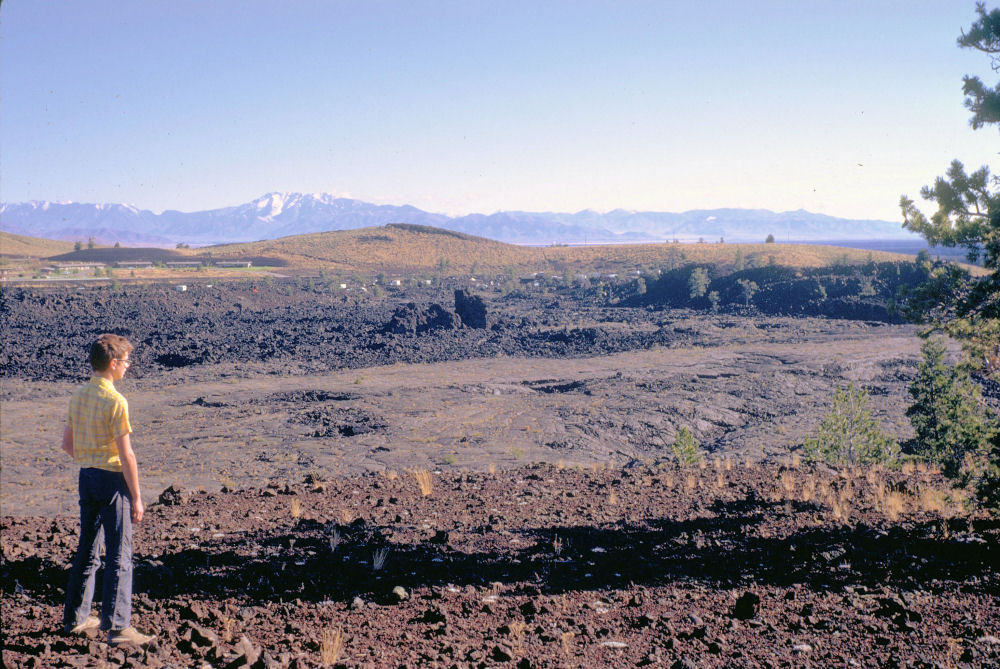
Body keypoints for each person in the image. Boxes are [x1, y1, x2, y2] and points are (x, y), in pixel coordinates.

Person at [61, 334, 155, 647]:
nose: (128, 366)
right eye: (126, 361)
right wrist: (137, 497)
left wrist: (91, 459)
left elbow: (67, 444)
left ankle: (75, 618)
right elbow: (127, 455)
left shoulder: (79, 395)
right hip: (113, 482)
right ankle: (118, 628)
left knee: (87, 549)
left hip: (87, 477)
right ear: (113, 364)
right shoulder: (116, 401)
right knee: (120, 555)